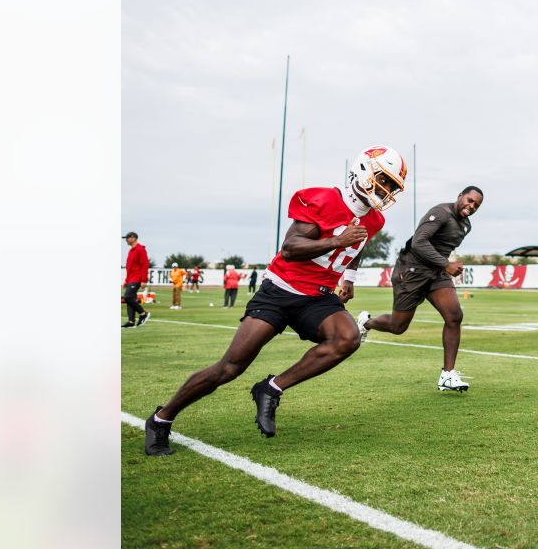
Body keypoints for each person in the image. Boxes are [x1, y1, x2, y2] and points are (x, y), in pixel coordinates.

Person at [144, 145, 407, 455]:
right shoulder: (322, 198)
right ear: (364, 169)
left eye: (391, 185)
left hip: (317, 297)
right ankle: (161, 419)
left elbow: (358, 245)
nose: (386, 189)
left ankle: (271, 388)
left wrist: (348, 277)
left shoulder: (375, 220)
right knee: (229, 367)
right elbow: (291, 247)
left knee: (348, 338)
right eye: (383, 179)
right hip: (281, 289)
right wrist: (337, 240)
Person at [358, 186, 484, 392]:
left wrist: (445, 266)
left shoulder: (465, 226)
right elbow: (418, 242)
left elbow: (442, 246)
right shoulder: (441, 213)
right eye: (469, 200)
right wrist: (446, 264)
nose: (471, 206)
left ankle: (448, 375)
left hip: (436, 274)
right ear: (460, 196)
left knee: (454, 316)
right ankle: (367, 322)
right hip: (411, 271)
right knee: (398, 327)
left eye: (476, 205)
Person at [121, 232, 150, 328]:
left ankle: (143, 313)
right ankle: (131, 321)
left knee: (127, 297)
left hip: (137, 278)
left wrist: (144, 280)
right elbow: (129, 268)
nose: (126, 240)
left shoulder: (140, 249)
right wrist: (126, 280)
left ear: (133, 238)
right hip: (131, 279)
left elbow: (145, 265)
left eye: (127, 238)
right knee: (130, 299)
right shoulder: (131, 251)